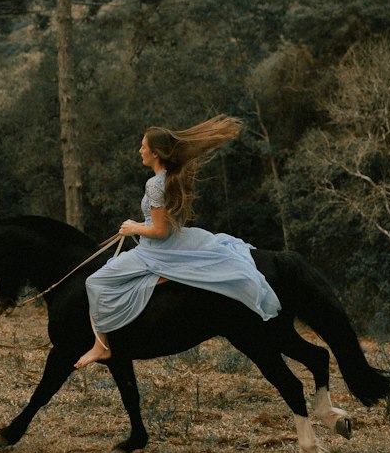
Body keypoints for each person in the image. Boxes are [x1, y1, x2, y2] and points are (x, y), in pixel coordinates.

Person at [75, 116, 281, 367]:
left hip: (156, 250)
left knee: (94, 281)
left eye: (143, 146)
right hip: (177, 241)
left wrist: (133, 227)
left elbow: (160, 230)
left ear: (155, 153)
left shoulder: (154, 184)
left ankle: (101, 347)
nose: (140, 150)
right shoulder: (173, 177)